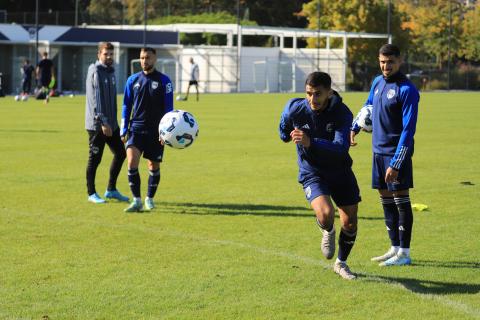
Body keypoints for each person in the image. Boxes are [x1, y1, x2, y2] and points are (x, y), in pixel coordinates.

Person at [279, 71, 361, 280]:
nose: (312, 99)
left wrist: (311, 142)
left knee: (350, 221)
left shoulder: (342, 113)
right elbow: (283, 133)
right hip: (312, 171)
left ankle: (341, 263)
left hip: (340, 170)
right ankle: (328, 230)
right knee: (325, 214)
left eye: (317, 94)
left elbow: (341, 147)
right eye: (308, 93)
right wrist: (286, 129)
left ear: (329, 93)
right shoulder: (295, 109)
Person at [351, 44, 419, 267]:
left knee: (401, 201)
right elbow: (368, 107)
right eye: (382, 61)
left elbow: (408, 130)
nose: (385, 66)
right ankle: (394, 247)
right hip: (378, 153)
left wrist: (397, 163)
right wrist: (355, 127)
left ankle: (405, 253)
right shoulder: (377, 82)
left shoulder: (407, 90)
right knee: (386, 201)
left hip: (395, 154)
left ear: (400, 61)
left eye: (390, 62)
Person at [121, 47, 173, 212]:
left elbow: (169, 109)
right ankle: (136, 200)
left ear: (155, 59)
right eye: (142, 58)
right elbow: (126, 105)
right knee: (131, 162)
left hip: (156, 132)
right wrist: (123, 129)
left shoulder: (165, 81)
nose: (144, 61)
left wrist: (166, 132)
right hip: (136, 129)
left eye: (148, 58)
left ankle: (149, 199)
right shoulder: (132, 80)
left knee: (153, 166)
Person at [85, 42, 129, 204]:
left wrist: (115, 124)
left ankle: (111, 189)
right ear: (99, 54)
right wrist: (103, 122)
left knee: (121, 153)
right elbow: (96, 100)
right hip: (98, 125)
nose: (109, 57)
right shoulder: (95, 71)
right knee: (95, 159)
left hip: (112, 124)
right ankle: (91, 193)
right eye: (106, 54)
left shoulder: (111, 72)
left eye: (111, 54)